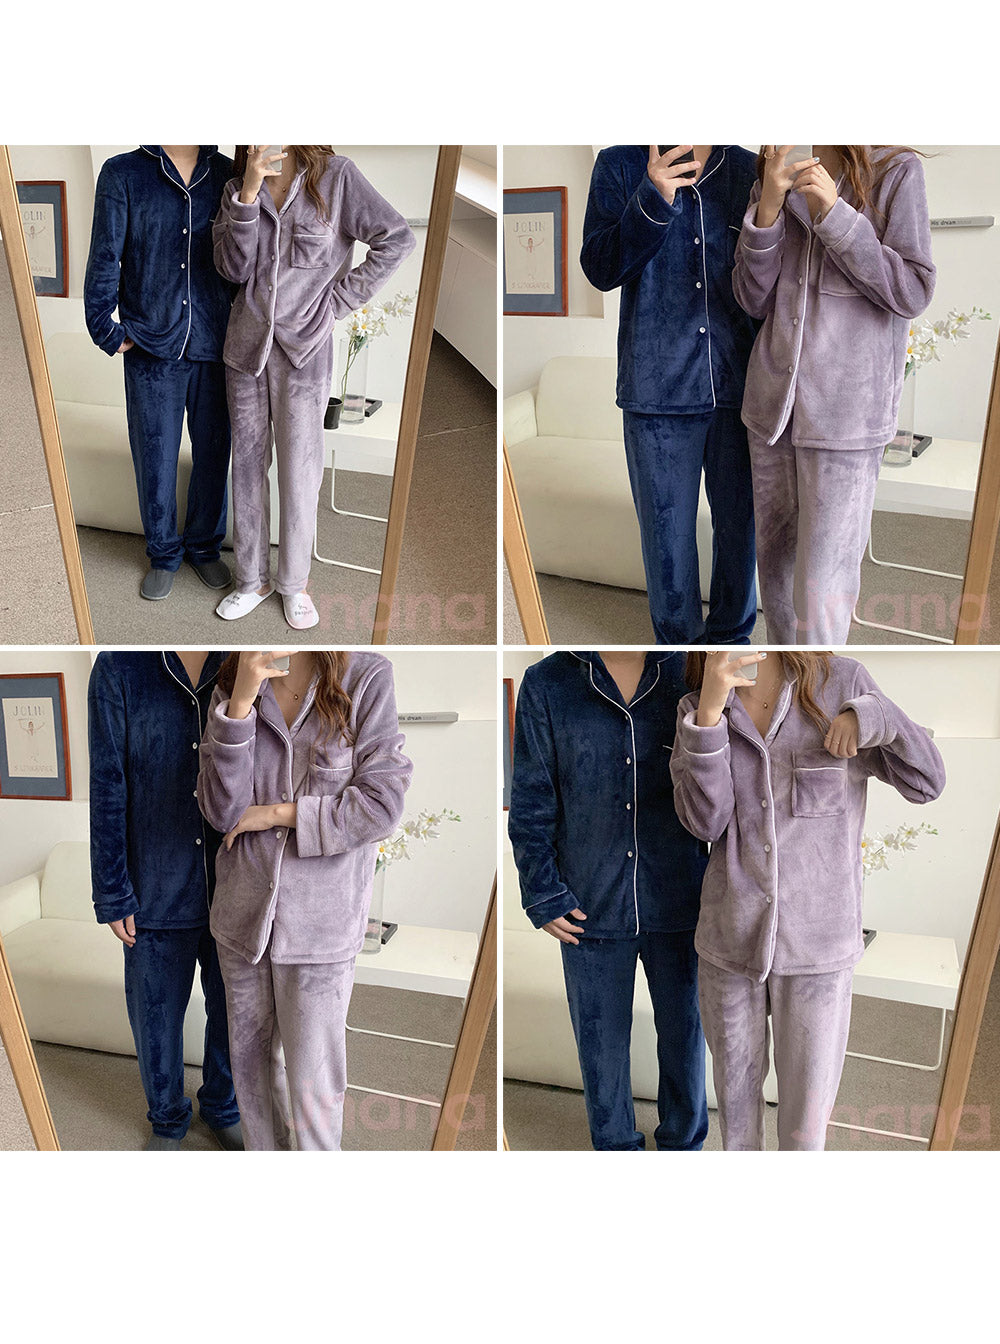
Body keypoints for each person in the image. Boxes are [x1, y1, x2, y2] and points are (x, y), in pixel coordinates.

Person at [670, 649, 945, 1150]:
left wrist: (874, 717)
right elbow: (704, 823)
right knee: (735, 1115)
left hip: (818, 950)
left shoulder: (842, 682)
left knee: (805, 1126)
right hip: (730, 942)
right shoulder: (699, 703)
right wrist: (708, 714)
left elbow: (928, 782)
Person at [197, 649, 412, 1149]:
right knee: (251, 1075)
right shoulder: (232, 677)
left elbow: (381, 804)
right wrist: (241, 702)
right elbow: (221, 810)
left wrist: (276, 813)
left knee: (314, 1087)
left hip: (321, 928)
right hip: (243, 920)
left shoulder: (366, 676)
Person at [508, 650, 710, 1150]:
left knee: (686, 1038)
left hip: (682, 898)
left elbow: (721, 785)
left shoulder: (691, 670)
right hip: (589, 906)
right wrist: (543, 893)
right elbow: (532, 797)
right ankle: (616, 1151)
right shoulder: (547, 683)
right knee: (601, 1049)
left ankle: (685, 1148)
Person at [733, 145, 936, 644]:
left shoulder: (897, 171)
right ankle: (788, 679)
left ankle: (818, 684)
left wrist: (834, 214)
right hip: (772, 410)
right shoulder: (776, 171)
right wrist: (768, 208)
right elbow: (752, 299)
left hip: (846, 417)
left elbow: (913, 290)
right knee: (776, 576)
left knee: (823, 588)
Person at [212, 146, 415, 630]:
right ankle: (251, 580)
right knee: (247, 468)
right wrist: (248, 193)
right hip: (245, 349)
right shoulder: (236, 187)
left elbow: (397, 238)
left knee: (300, 472)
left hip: (304, 354)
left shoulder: (337, 177)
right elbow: (230, 270)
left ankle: (294, 583)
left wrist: (336, 304)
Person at [580, 145, 759, 643]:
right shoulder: (618, 165)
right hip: (656, 394)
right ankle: (679, 658)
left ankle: (730, 644)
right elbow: (600, 269)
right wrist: (653, 199)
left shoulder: (749, 170)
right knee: (667, 546)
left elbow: (770, 281)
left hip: (742, 389)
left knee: (741, 536)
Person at [88, 651, 242, 1150]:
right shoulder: (118, 668)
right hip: (154, 889)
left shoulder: (243, 660)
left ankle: (222, 1105)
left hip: (235, 887)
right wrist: (113, 892)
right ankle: (168, 1119)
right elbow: (107, 782)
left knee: (233, 1015)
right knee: (155, 1022)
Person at [84, 146, 236, 601]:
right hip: (151, 346)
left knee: (214, 456)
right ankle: (163, 553)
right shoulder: (122, 173)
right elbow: (105, 254)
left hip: (217, 342)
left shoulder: (229, 174)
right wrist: (106, 329)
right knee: (155, 459)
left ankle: (204, 547)